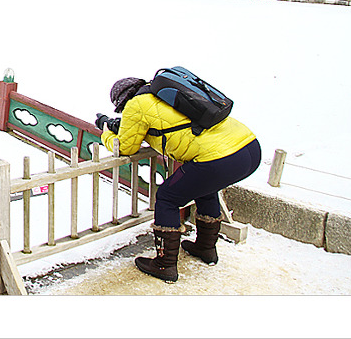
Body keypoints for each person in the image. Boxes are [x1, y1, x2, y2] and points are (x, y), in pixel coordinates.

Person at [95, 76, 261, 282]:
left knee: (167, 197)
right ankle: (205, 249)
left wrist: (105, 133)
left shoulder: (136, 105)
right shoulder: (162, 94)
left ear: (122, 101)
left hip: (220, 158)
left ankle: (164, 265)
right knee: (204, 189)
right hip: (249, 147)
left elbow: (126, 148)